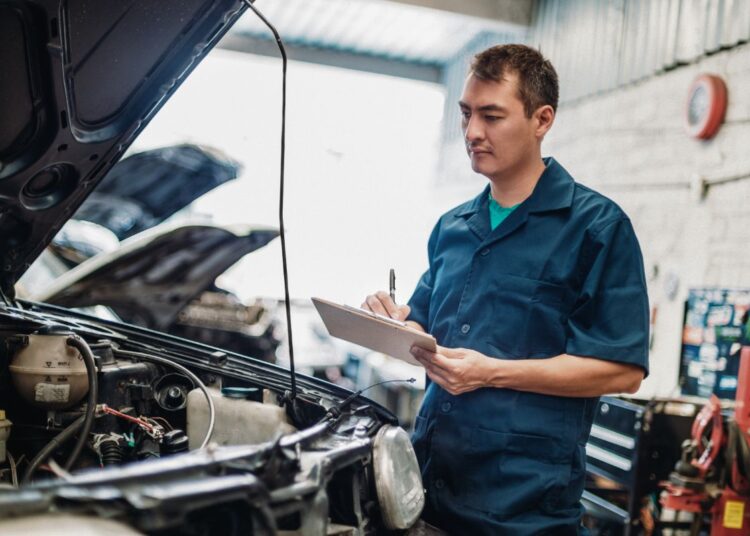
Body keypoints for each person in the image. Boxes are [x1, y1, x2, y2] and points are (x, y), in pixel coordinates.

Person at [362, 44, 649, 535]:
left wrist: (492, 373)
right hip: (428, 488)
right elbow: (423, 323)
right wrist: (393, 324)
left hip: (524, 509)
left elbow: (621, 371)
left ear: (542, 120)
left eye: (492, 116)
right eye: (466, 114)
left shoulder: (597, 228)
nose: (473, 133)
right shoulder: (452, 227)